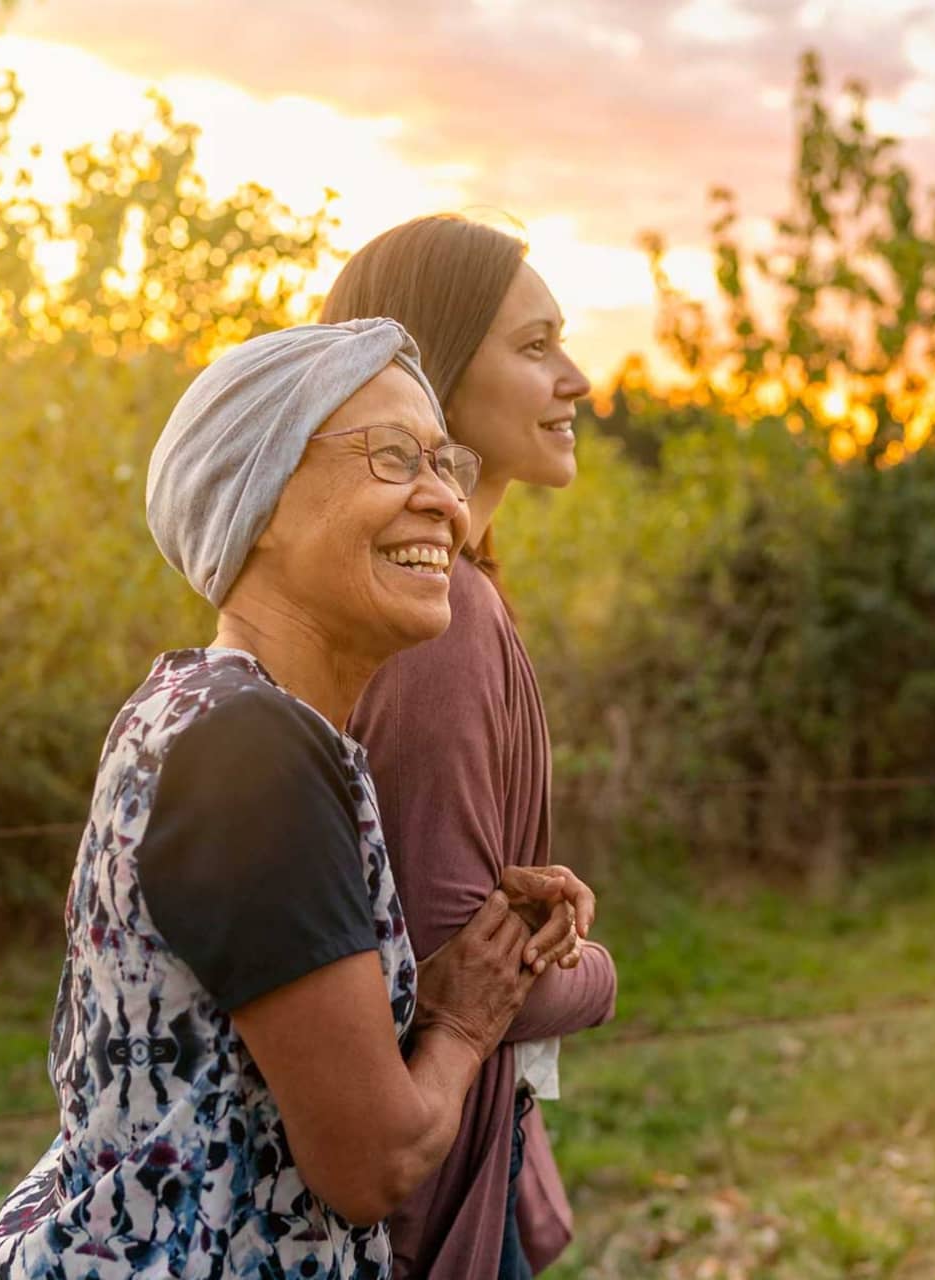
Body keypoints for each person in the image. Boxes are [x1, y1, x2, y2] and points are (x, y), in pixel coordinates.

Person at [0, 318, 593, 1279]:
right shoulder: (254, 752)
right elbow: (374, 1161)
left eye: (444, 460)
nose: (443, 499)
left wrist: (462, 973)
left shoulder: (201, 707)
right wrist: (471, 1025)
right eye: (394, 457)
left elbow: (241, 1052)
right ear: (260, 496)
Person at [321, 216, 618, 1279]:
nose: (575, 378)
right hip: (435, 1202)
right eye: (534, 347)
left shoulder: (434, 594)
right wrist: (594, 970)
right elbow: (450, 977)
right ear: (432, 373)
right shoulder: (439, 621)